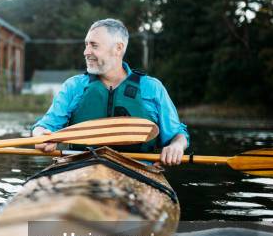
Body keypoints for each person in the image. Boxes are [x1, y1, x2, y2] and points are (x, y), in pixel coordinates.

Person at [32, 18, 189, 166]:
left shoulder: (152, 88)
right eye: (86, 45)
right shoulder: (73, 86)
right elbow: (45, 126)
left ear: (118, 48)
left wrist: (177, 145)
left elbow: (177, 134)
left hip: (138, 170)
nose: (86, 52)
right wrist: (40, 136)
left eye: (94, 45)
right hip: (80, 168)